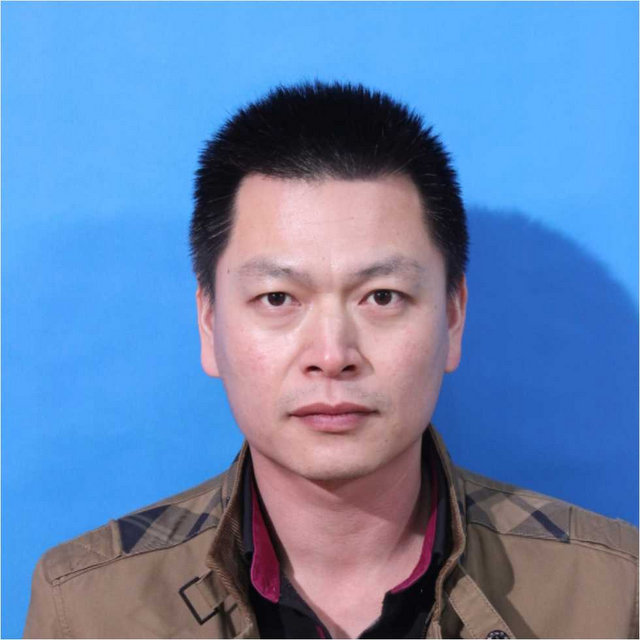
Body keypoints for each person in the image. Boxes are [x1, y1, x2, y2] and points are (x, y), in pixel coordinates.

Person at [24, 82, 638, 639]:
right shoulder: (88, 609)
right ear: (209, 324)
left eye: (382, 297)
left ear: (453, 318)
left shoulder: (613, 594)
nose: (332, 356)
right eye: (278, 298)